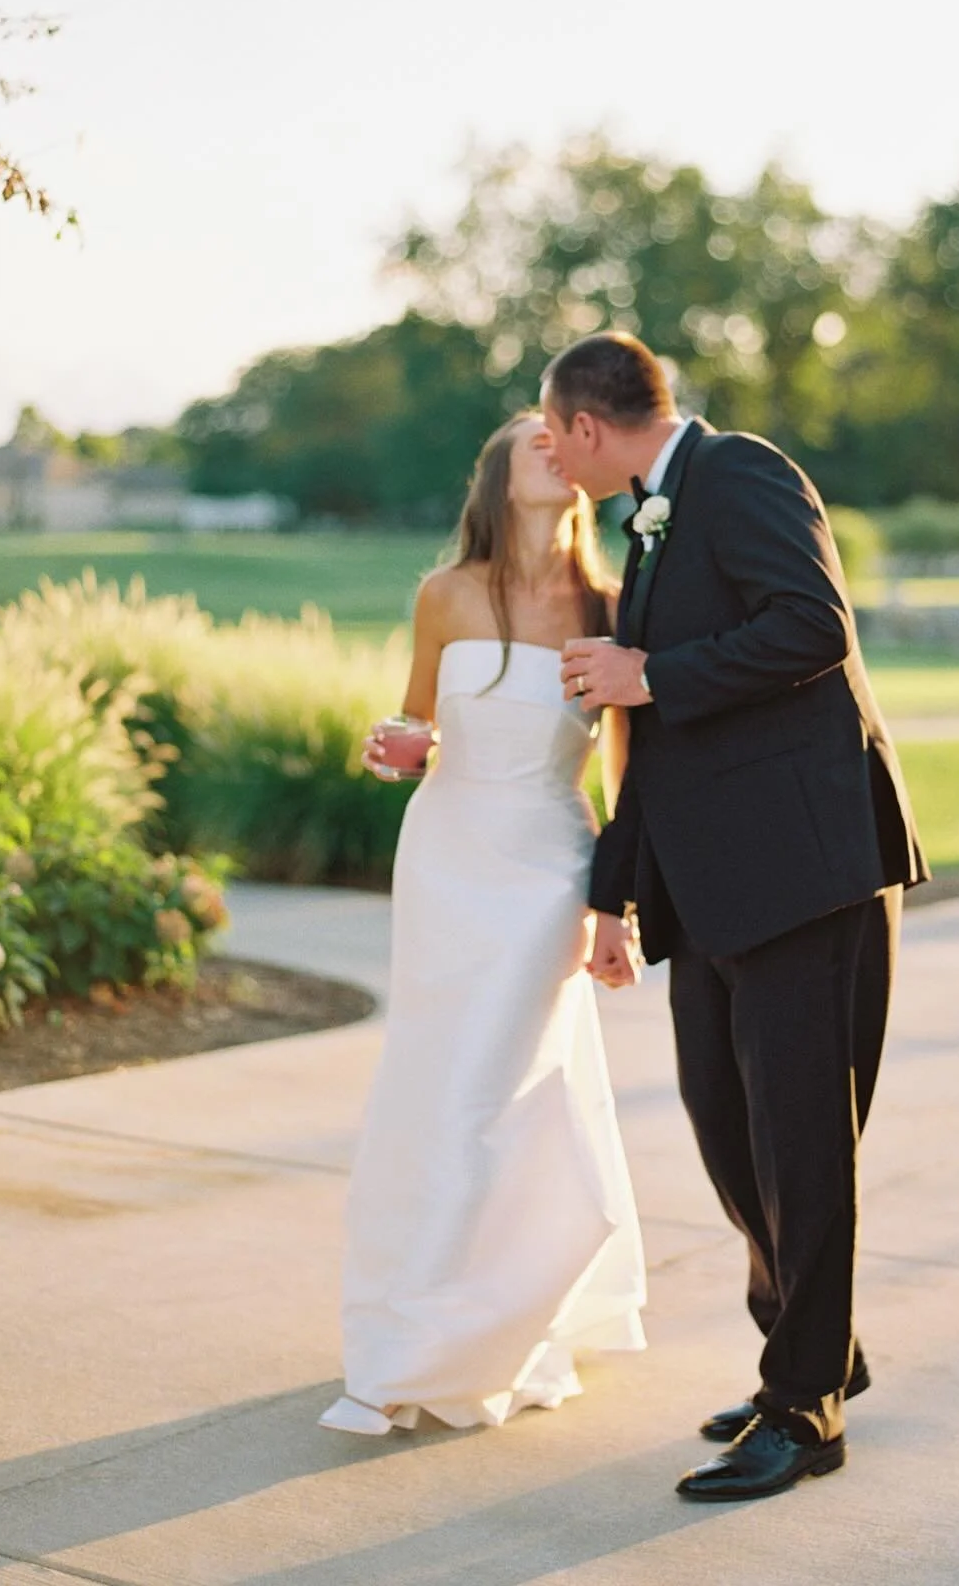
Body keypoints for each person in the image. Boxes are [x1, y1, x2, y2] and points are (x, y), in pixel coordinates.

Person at [541, 332, 928, 1501]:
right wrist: (613, 889)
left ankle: (804, 1411)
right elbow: (646, 737)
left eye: (554, 432)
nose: (552, 454)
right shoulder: (648, 521)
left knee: (802, 1147)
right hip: (710, 892)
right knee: (728, 1135)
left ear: (594, 428)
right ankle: (815, 1351)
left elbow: (815, 626)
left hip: (806, 875)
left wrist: (651, 673)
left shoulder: (744, 473)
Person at [319, 410, 646, 1436]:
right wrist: (393, 750)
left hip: (550, 866)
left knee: (508, 1096)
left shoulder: (612, 601)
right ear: (497, 475)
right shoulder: (444, 593)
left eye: (566, 437)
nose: (553, 445)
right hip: (447, 860)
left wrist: (613, 908)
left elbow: (628, 774)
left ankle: (499, 1322)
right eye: (530, 438)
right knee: (436, 1085)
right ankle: (410, 1327)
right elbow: (412, 725)